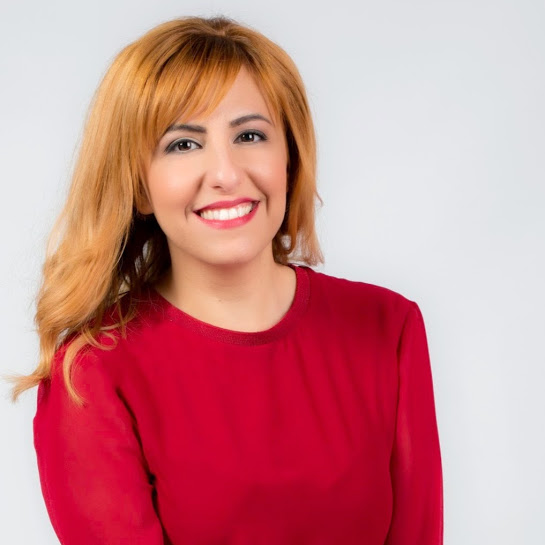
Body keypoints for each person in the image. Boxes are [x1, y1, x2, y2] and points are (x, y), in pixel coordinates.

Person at [13, 15, 443, 545]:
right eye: (182, 144)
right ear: (139, 187)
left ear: (290, 159)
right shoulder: (92, 372)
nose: (226, 173)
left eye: (250, 135)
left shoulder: (387, 327)